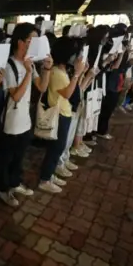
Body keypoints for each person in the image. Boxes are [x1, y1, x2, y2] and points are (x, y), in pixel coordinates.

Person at [0, 23, 51, 206]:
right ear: (20, 42)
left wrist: (47, 69)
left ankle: (15, 182)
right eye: (30, 40)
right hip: (11, 120)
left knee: (19, 156)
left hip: (25, 120)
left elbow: (42, 87)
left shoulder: (30, 64)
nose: (33, 44)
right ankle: (4, 189)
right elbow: (16, 96)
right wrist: (28, 72)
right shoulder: (9, 64)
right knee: (6, 157)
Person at [38, 37, 88, 194]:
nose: (78, 58)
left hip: (64, 113)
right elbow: (67, 93)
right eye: (76, 55)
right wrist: (77, 75)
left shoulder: (61, 70)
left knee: (57, 149)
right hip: (59, 114)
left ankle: (49, 175)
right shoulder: (57, 72)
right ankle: (45, 179)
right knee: (55, 149)